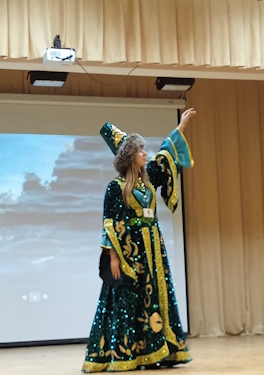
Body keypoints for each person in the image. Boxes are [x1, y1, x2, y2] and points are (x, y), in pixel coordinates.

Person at [82, 108, 196, 372]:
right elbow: (110, 223)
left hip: (153, 250)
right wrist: (113, 257)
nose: (145, 154)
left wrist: (182, 125)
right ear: (129, 157)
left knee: (155, 296)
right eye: (140, 151)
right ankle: (126, 354)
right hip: (130, 254)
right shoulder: (116, 187)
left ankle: (158, 351)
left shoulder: (148, 179)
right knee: (128, 300)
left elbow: (167, 153)